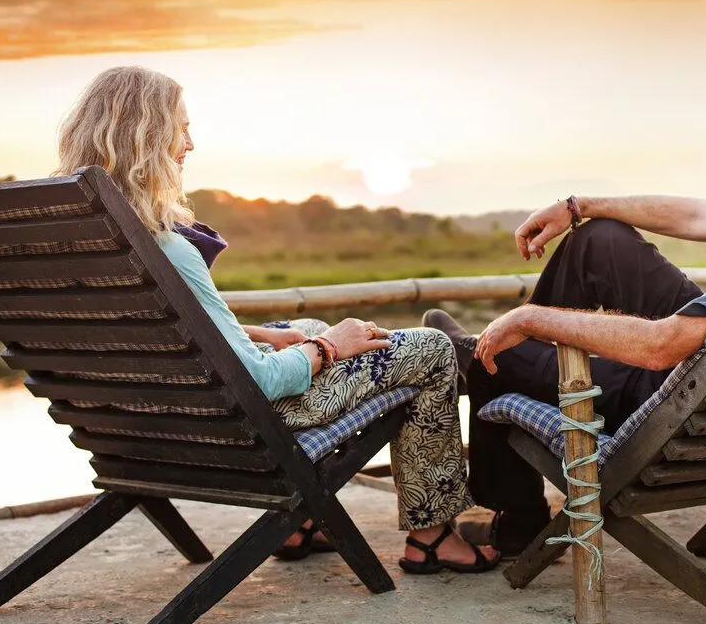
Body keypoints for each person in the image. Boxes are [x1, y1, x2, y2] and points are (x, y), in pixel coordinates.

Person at [54, 66, 499, 574]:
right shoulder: (166, 247)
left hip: (141, 425)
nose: (191, 143)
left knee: (301, 327)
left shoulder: (85, 241)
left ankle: (298, 521)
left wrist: (266, 334)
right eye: (181, 128)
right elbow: (262, 381)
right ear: (149, 136)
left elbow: (156, 333)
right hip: (239, 426)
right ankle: (431, 536)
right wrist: (331, 346)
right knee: (429, 350)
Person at [424, 68, 706, 555]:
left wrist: (528, 320)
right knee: (600, 240)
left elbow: (662, 346)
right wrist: (579, 206)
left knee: (486, 354)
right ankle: (515, 358)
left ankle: (516, 514)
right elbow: (698, 216)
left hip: (686, 397)